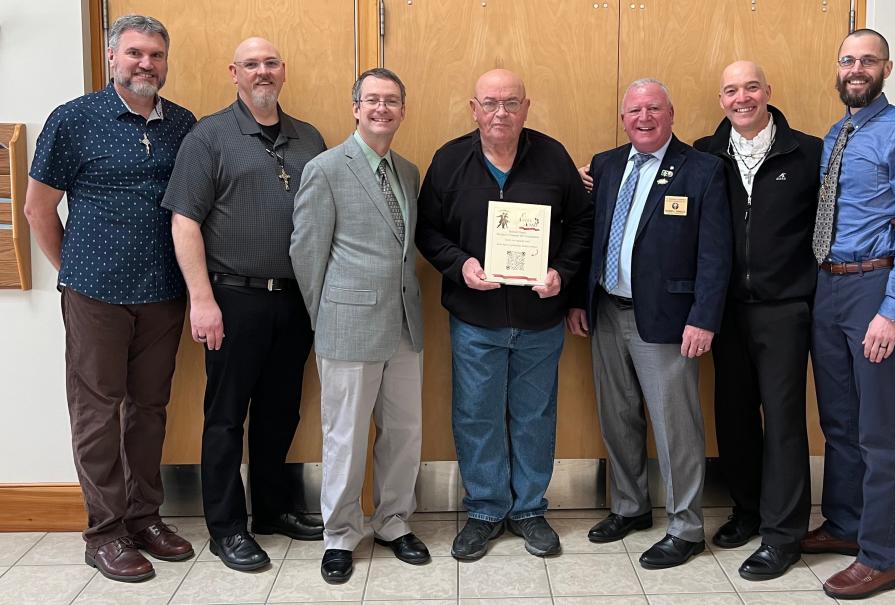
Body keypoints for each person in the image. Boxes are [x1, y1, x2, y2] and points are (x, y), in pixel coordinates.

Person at [23, 14, 196, 583]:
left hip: (163, 293)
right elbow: (38, 210)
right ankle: (104, 532)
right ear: (112, 57)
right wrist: (74, 272)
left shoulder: (183, 125)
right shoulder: (73, 120)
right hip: (96, 294)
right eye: (135, 54)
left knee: (148, 411)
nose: (146, 64)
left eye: (156, 55)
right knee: (97, 414)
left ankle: (145, 517)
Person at [162, 37, 326, 572]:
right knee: (226, 416)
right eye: (251, 64)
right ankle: (227, 527)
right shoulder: (208, 136)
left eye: (271, 63)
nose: (263, 72)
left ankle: (273, 511)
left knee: (281, 412)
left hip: (295, 300)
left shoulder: (309, 138)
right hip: (232, 298)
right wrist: (201, 300)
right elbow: (184, 220)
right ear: (234, 73)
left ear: (284, 71)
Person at [416, 69, 592, 560]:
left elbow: (581, 222)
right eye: (490, 103)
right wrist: (461, 265)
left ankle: (530, 510)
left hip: (540, 318)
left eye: (511, 103)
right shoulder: (450, 160)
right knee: (477, 416)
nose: (500, 113)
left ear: (526, 107)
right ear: (473, 107)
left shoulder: (552, 157)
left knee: (535, 416)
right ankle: (487, 509)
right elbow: (427, 230)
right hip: (476, 318)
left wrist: (561, 270)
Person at [567, 79, 731, 570]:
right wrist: (580, 299)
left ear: (671, 113)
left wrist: (704, 318)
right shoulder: (606, 164)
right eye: (634, 110)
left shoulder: (703, 171)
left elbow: (715, 254)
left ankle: (686, 527)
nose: (643, 118)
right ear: (623, 118)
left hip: (669, 320)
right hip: (607, 312)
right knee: (617, 416)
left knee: (675, 425)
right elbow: (591, 237)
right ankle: (630, 507)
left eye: (653, 108)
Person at [801, 28, 895, 600]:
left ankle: (880, 557)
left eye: (867, 61)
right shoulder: (838, 132)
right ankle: (844, 524)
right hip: (827, 286)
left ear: (887, 67)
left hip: (875, 289)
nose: (856, 69)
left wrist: (893, 310)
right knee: (838, 422)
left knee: (878, 430)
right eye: (847, 60)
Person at [290, 67, 428, 584]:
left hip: (405, 326)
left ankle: (394, 522)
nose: (381, 109)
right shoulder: (326, 169)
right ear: (355, 108)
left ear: (402, 110)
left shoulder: (408, 171)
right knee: (344, 436)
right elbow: (306, 253)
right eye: (372, 100)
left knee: (405, 431)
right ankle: (341, 535)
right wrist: (325, 318)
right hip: (346, 326)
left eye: (391, 101)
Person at [692, 61, 821, 580]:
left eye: (750, 87)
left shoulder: (807, 151)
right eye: (731, 90)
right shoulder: (704, 154)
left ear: (768, 91)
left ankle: (784, 534)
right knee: (734, 415)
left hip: (786, 308)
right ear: (721, 99)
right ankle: (747, 509)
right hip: (725, 309)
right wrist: (591, 177)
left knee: (785, 422)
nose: (741, 97)